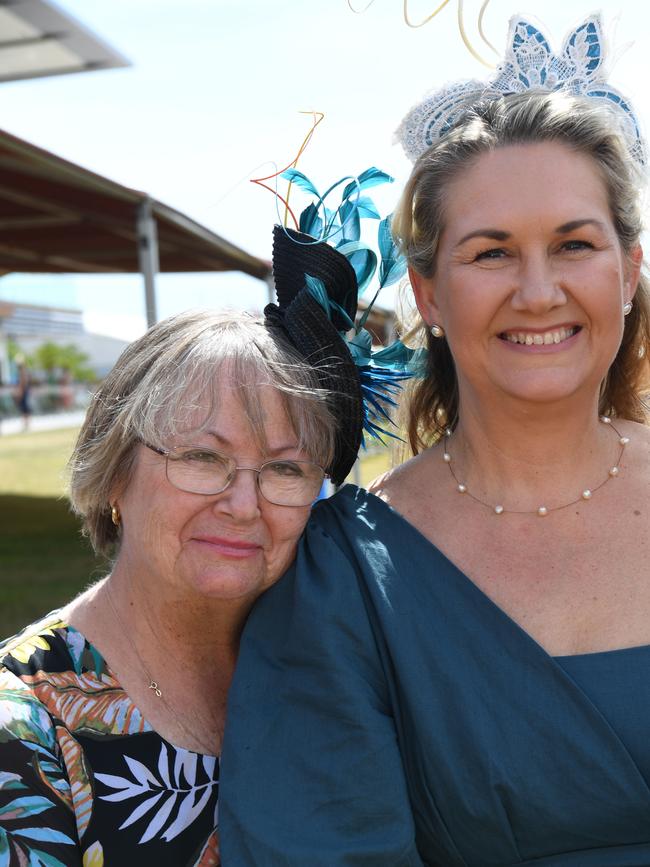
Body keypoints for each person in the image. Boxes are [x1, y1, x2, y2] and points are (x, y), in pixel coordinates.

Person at [220, 14, 650, 866]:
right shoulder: (340, 578)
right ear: (426, 292)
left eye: (574, 244)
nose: (538, 291)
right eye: (491, 253)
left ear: (629, 272)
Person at [0, 308, 344, 866]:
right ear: (115, 473)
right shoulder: (22, 731)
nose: (243, 505)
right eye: (203, 458)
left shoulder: (333, 670)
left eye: (286, 470)